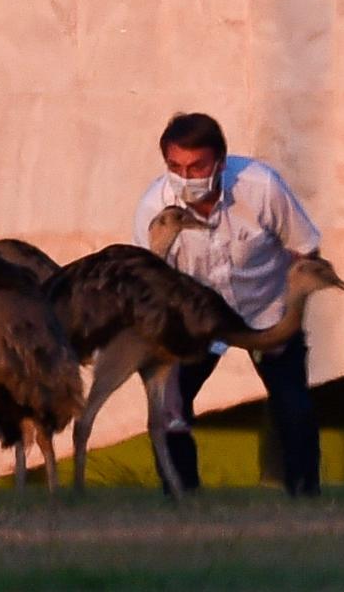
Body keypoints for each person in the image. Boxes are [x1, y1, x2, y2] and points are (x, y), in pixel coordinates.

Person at [133, 112, 322, 497]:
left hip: (266, 312)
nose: (186, 177)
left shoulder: (261, 186)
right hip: (195, 323)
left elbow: (305, 250)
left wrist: (290, 315)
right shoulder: (154, 208)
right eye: (175, 166)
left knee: (293, 408)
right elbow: (148, 290)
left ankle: (305, 499)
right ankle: (183, 501)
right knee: (170, 410)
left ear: (220, 161)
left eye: (197, 166)